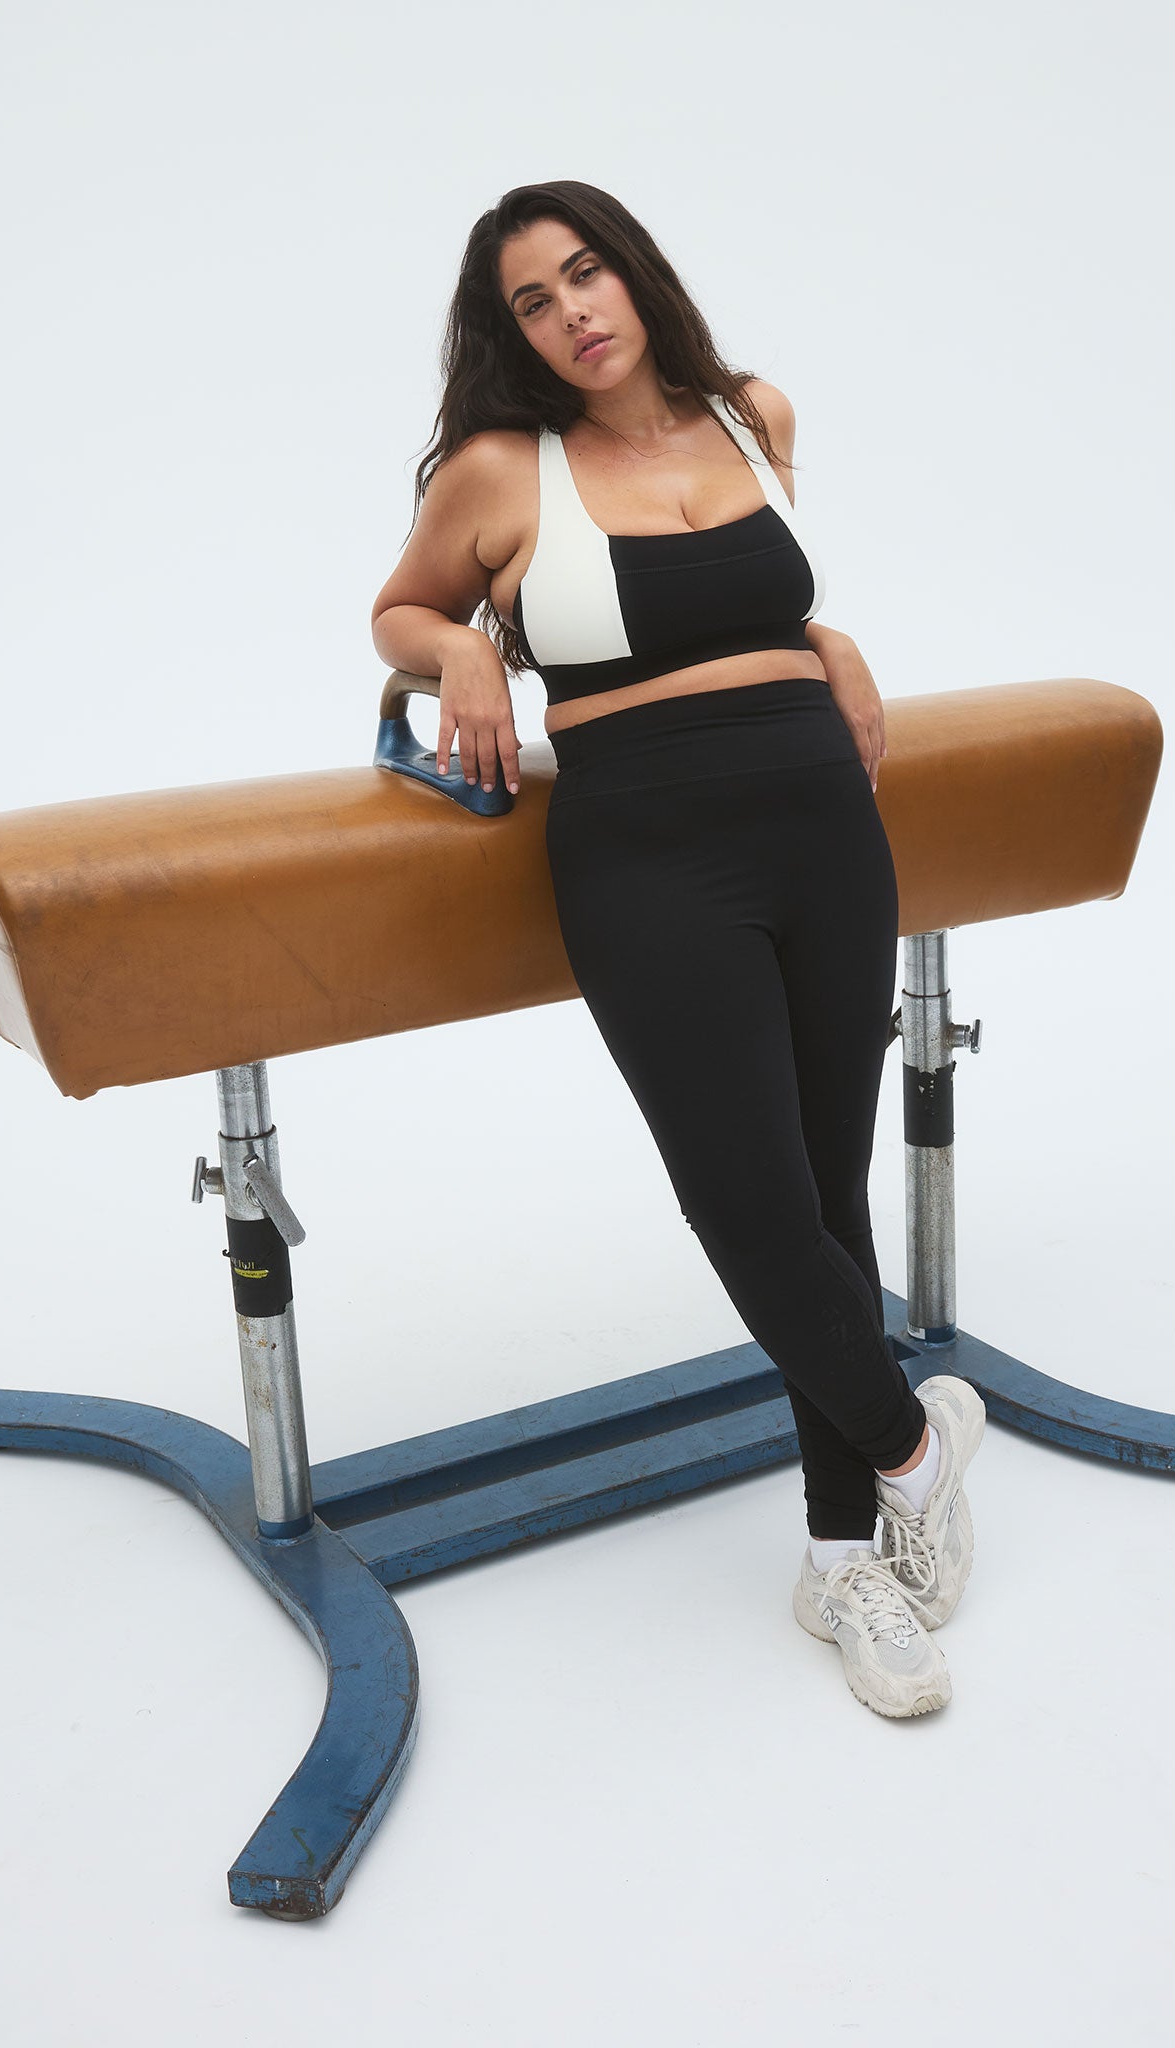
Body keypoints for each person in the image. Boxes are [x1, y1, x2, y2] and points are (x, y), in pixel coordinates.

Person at [371, 181, 986, 1719]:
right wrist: (458, 646)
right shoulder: (501, 470)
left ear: (634, 276)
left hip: (826, 833)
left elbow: (770, 605)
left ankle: (840, 1555)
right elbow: (398, 607)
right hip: (649, 856)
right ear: (506, 332)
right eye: (532, 300)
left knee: (826, 1194)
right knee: (745, 1198)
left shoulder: (751, 411)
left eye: (587, 274)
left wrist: (830, 642)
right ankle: (917, 1447)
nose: (573, 310)